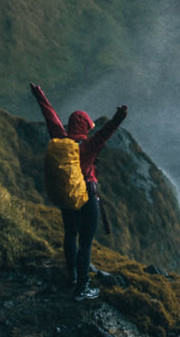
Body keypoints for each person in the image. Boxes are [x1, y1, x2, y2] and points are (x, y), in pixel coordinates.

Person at [29, 83, 127, 300]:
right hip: (87, 199)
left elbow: (51, 117)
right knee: (86, 243)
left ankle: (71, 276)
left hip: (67, 197)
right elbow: (105, 132)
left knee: (70, 235)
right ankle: (83, 288)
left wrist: (40, 96)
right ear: (85, 126)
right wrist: (119, 117)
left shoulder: (61, 139)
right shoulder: (89, 145)